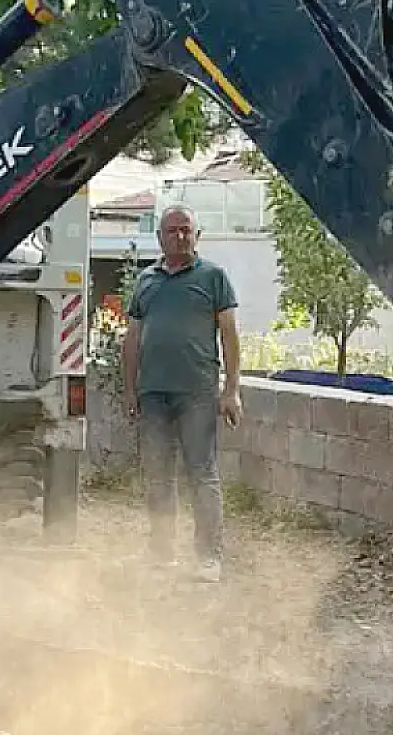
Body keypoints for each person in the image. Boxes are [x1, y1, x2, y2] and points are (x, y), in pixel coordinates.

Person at [121, 204, 243, 582]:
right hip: (153, 393)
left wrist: (232, 389)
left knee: (201, 474)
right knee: (158, 474)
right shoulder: (146, 281)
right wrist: (130, 390)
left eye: (186, 230)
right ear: (160, 238)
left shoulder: (213, 278)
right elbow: (133, 339)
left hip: (198, 394)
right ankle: (161, 553)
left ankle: (209, 558)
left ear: (197, 235)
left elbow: (230, 335)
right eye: (172, 230)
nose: (180, 236)